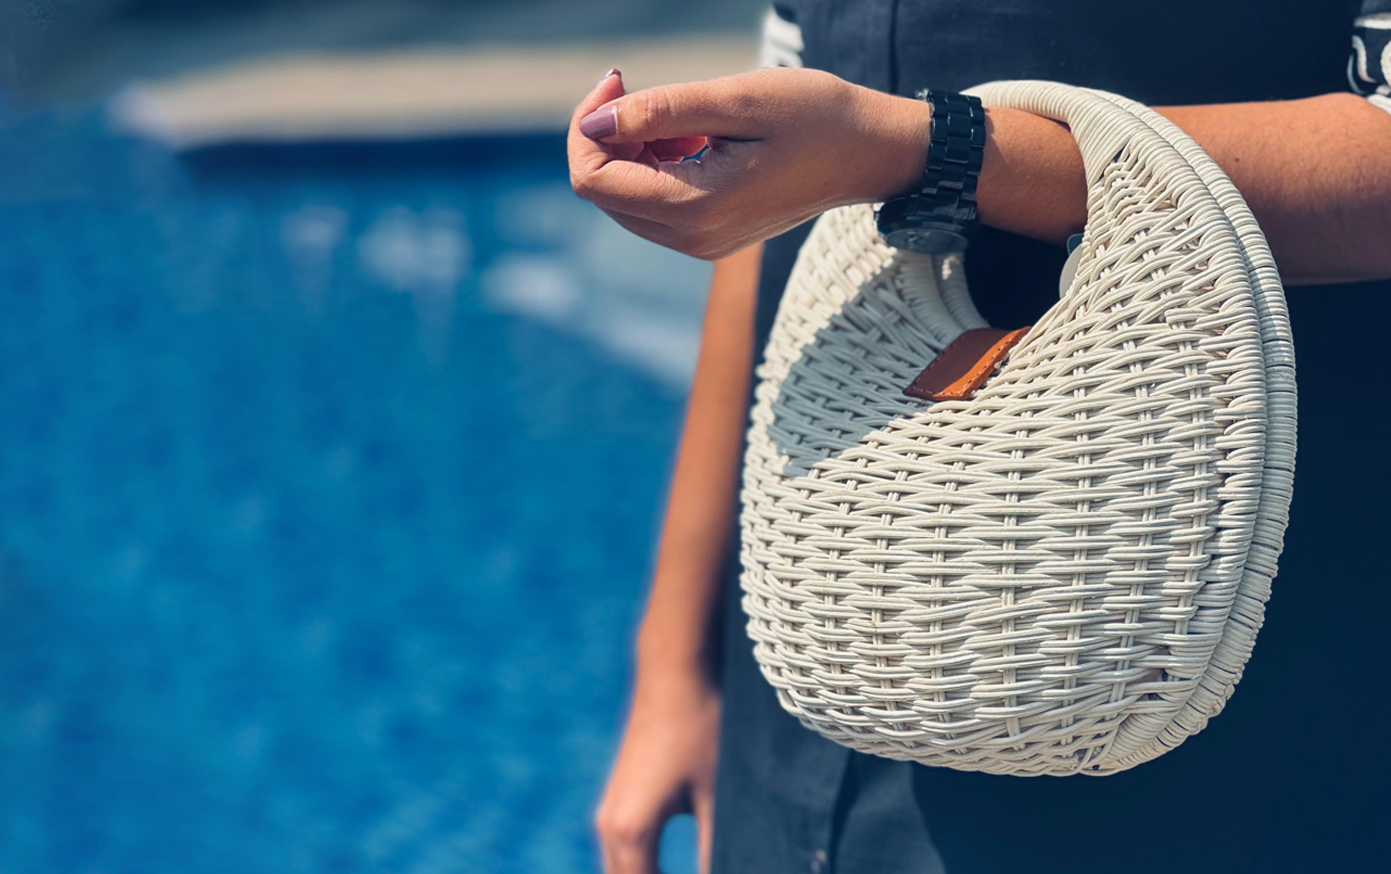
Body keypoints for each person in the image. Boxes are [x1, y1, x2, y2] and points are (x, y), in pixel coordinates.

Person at [568, 3, 1391, 873]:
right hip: (816, 653)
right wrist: (673, 665)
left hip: (1188, 643)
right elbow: (767, 197)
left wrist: (930, 154)